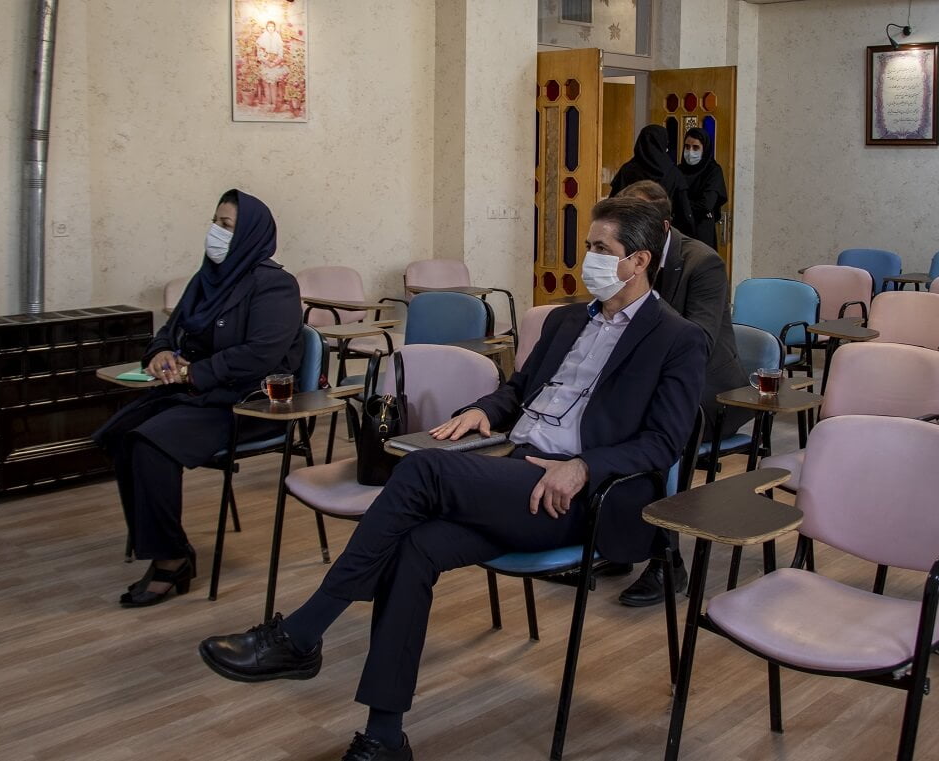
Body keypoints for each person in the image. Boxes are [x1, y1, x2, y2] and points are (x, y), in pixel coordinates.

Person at [198, 197, 707, 761]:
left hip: (578, 497)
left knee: (422, 469)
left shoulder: (677, 338)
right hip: (516, 473)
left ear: (638, 261)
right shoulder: (566, 320)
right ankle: (383, 739)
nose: (587, 257)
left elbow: (664, 442)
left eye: (600, 248)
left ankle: (302, 632)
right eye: (587, 245)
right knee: (413, 549)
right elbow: (520, 390)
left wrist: (584, 466)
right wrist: (484, 411)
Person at [93, 189, 302, 608]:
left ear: (249, 233)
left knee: (149, 445)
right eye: (215, 222)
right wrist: (160, 353)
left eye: (226, 226)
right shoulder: (207, 278)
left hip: (248, 402)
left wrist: (193, 372)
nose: (215, 233)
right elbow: (171, 331)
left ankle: (171, 560)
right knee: (120, 434)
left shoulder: (275, 285)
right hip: (200, 394)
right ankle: (161, 543)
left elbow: (260, 354)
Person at [610, 179, 745, 606]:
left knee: (656, 428)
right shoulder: (622, 258)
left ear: (664, 226)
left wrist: (640, 295)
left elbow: (697, 343)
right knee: (597, 417)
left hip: (711, 391)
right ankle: (614, 542)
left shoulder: (702, 263)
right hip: (649, 381)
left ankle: (666, 559)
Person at [609, 124, 696, 237]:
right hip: (662, 233)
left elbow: (612, 206)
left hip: (630, 233)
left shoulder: (627, 170)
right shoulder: (673, 173)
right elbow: (684, 213)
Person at [678, 127, 728, 250]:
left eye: (696, 148)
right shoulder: (678, 170)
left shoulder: (713, 171)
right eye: (687, 147)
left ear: (704, 149)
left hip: (701, 233)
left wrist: (681, 205)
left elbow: (706, 204)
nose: (690, 152)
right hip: (678, 231)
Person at [255, 20, 288, 110]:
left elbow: (280, 54)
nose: (270, 28)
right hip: (265, 63)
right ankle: (268, 103)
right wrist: (267, 62)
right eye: (269, 26)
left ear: (274, 28)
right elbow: (260, 53)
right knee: (266, 83)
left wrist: (274, 63)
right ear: (266, 27)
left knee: (273, 83)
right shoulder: (262, 37)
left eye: (272, 26)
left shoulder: (278, 37)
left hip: (275, 64)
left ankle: (274, 103)